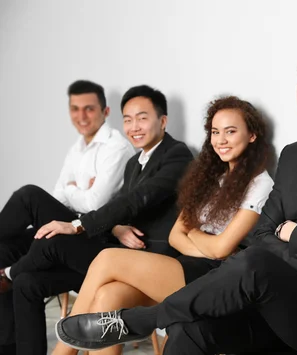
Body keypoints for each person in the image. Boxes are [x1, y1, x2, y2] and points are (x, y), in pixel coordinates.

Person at [55, 49, 297, 355]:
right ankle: (147, 320)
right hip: (285, 296)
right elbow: (266, 233)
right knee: (190, 330)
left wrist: (288, 231)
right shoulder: (295, 156)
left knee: (254, 262)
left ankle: (143, 320)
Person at [51, 95, 274, 355]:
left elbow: (220, 250)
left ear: (252, 136)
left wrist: (194, 233)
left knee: (107, 258)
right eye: (215, 132)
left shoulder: (260, 184)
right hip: (188, 265)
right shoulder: (212, 178)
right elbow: (176, 237)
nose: (221, 140)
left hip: (216, 278)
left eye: (230, 131)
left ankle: (62, 352)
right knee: (109, 295)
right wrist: (200, 239)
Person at [1, 85, 194, 355]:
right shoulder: (134, 163)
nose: (134, 126)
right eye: (127, 119)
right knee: (28, 282)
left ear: (162, 121)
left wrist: (76, 224)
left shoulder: (177, 155)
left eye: (142, 117)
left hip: (147, 260)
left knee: (44, 230)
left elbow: (137, 199)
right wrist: (116, 226)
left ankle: (8, 274)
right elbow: (123, 209)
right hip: (117, 251)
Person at [0, 79, 134, 355]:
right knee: (7, 255)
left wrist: (75, 191)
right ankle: (8, 346)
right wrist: (80, 191)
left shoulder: (115, 147)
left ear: (105, 112)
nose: (81, 116)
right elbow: (60, 196)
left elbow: (95, 204)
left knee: (29, 196)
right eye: (75, 109)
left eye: (89, 109)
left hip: (95, 239)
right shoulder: (77, 149)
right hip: (70, 233)